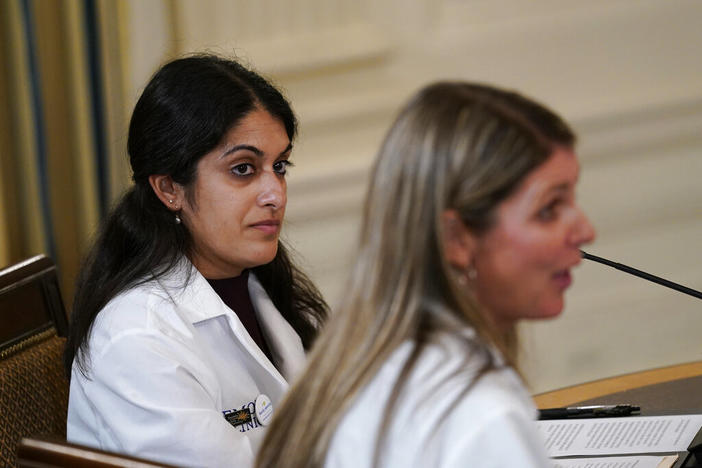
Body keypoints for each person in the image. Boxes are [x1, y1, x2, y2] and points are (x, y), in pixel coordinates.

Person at [255, 82, 596, 468]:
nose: (585, 231)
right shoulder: (478, 417)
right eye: (550, 209)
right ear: (456, 238)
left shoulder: (365, 361)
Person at [64, 54, 328, 467]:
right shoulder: (136, 337)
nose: (275, 193)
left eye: (279, 166)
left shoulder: (261, 285)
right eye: (243, 168)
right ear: (169, 188)